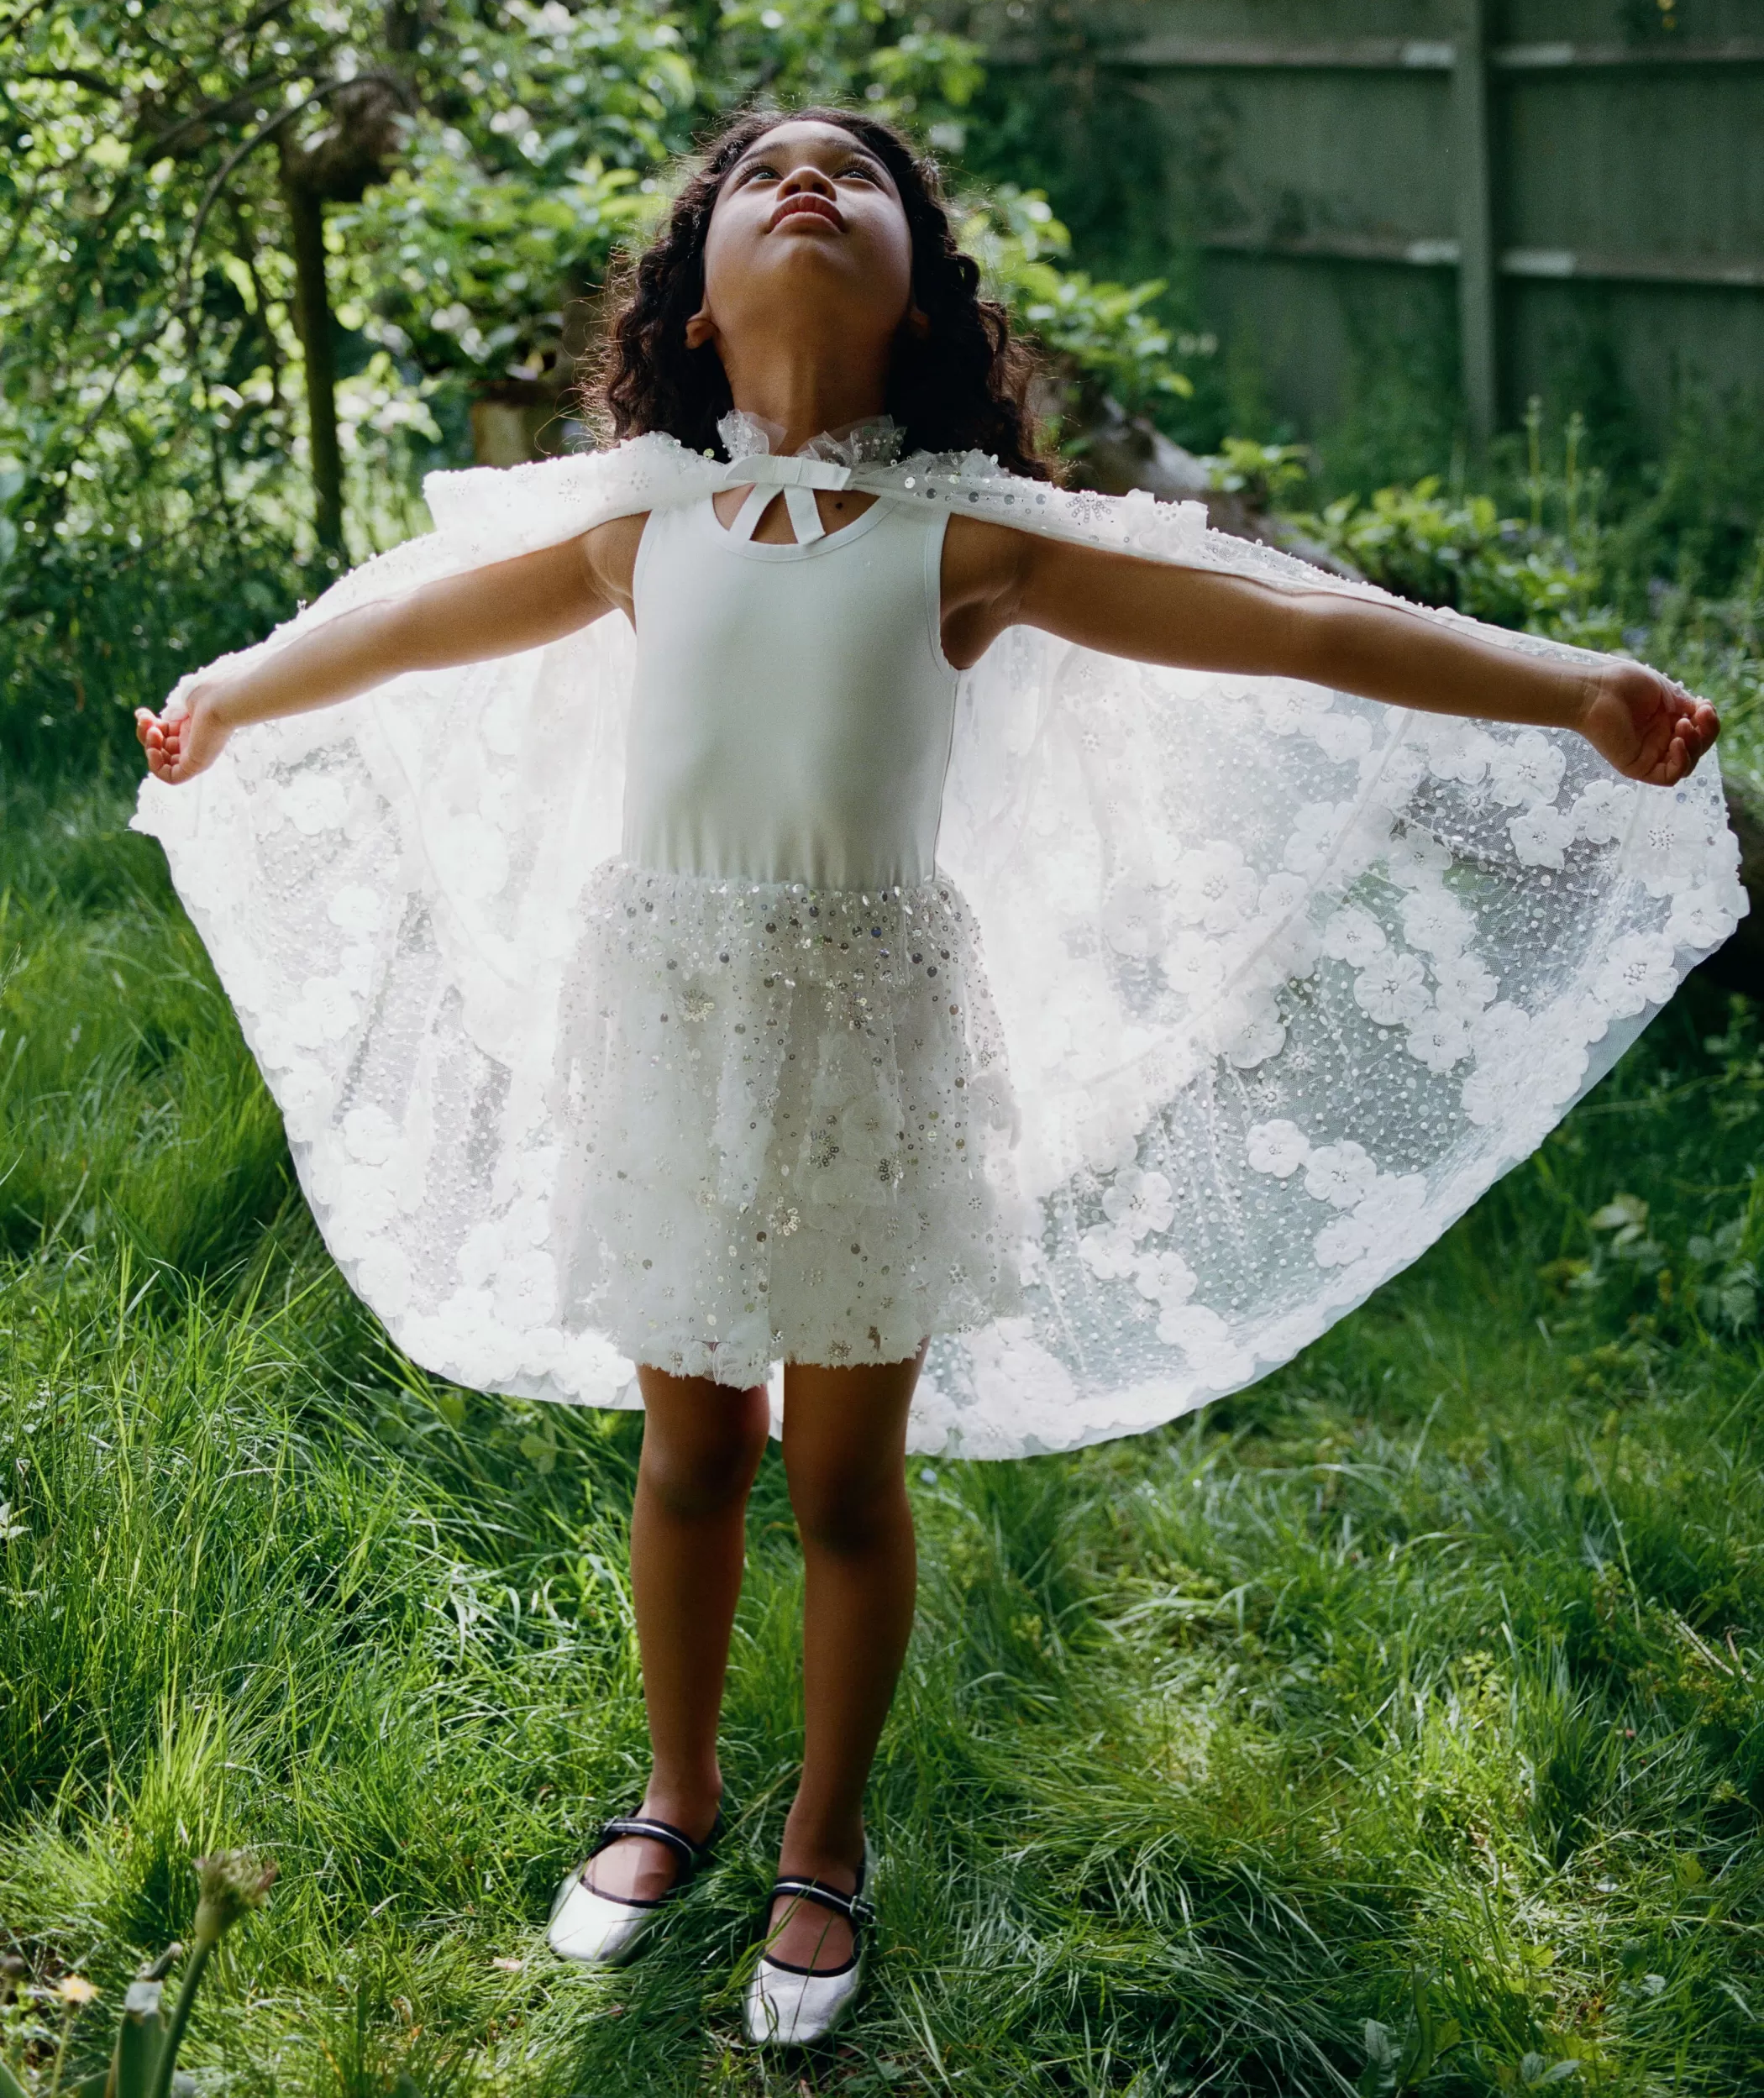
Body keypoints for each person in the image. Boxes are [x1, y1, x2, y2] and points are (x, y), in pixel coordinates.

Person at [134, 109, 1735, 2048]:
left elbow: (1295, 623)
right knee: (691, 1444)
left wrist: (1558, 679)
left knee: (841, 1470)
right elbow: (404, 620)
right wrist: (234, 688)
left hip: (867, 1050)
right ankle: (677, 1788)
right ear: (697, 313)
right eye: (759, 175)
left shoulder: (959, 541)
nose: (806, 182)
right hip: (676, 1030)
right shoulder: (639, 532)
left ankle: (825, 1829)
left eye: (855, 175)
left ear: (921, 303)